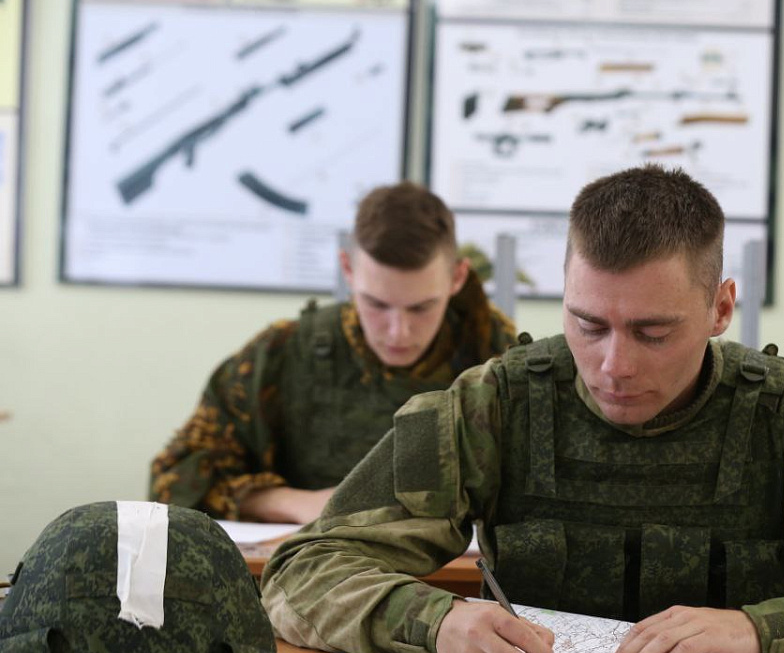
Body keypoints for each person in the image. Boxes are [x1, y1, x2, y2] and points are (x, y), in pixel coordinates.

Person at [261, 165, 784, 653]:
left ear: (721, 308)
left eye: (653, 332)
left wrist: (759, 630)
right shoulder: (490, 407)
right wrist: (434, 623)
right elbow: (303, 574)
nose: (613, 364)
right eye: (588, 325)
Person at [149, 182, 516, 524]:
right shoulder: (281, 354)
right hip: (312, 567)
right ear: (347, 270)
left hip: (458, 569)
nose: (398, 332)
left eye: (421, 308)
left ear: (457, 277)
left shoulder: (499, 361)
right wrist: (290, 502)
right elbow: (172, 479)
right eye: (376, 304)